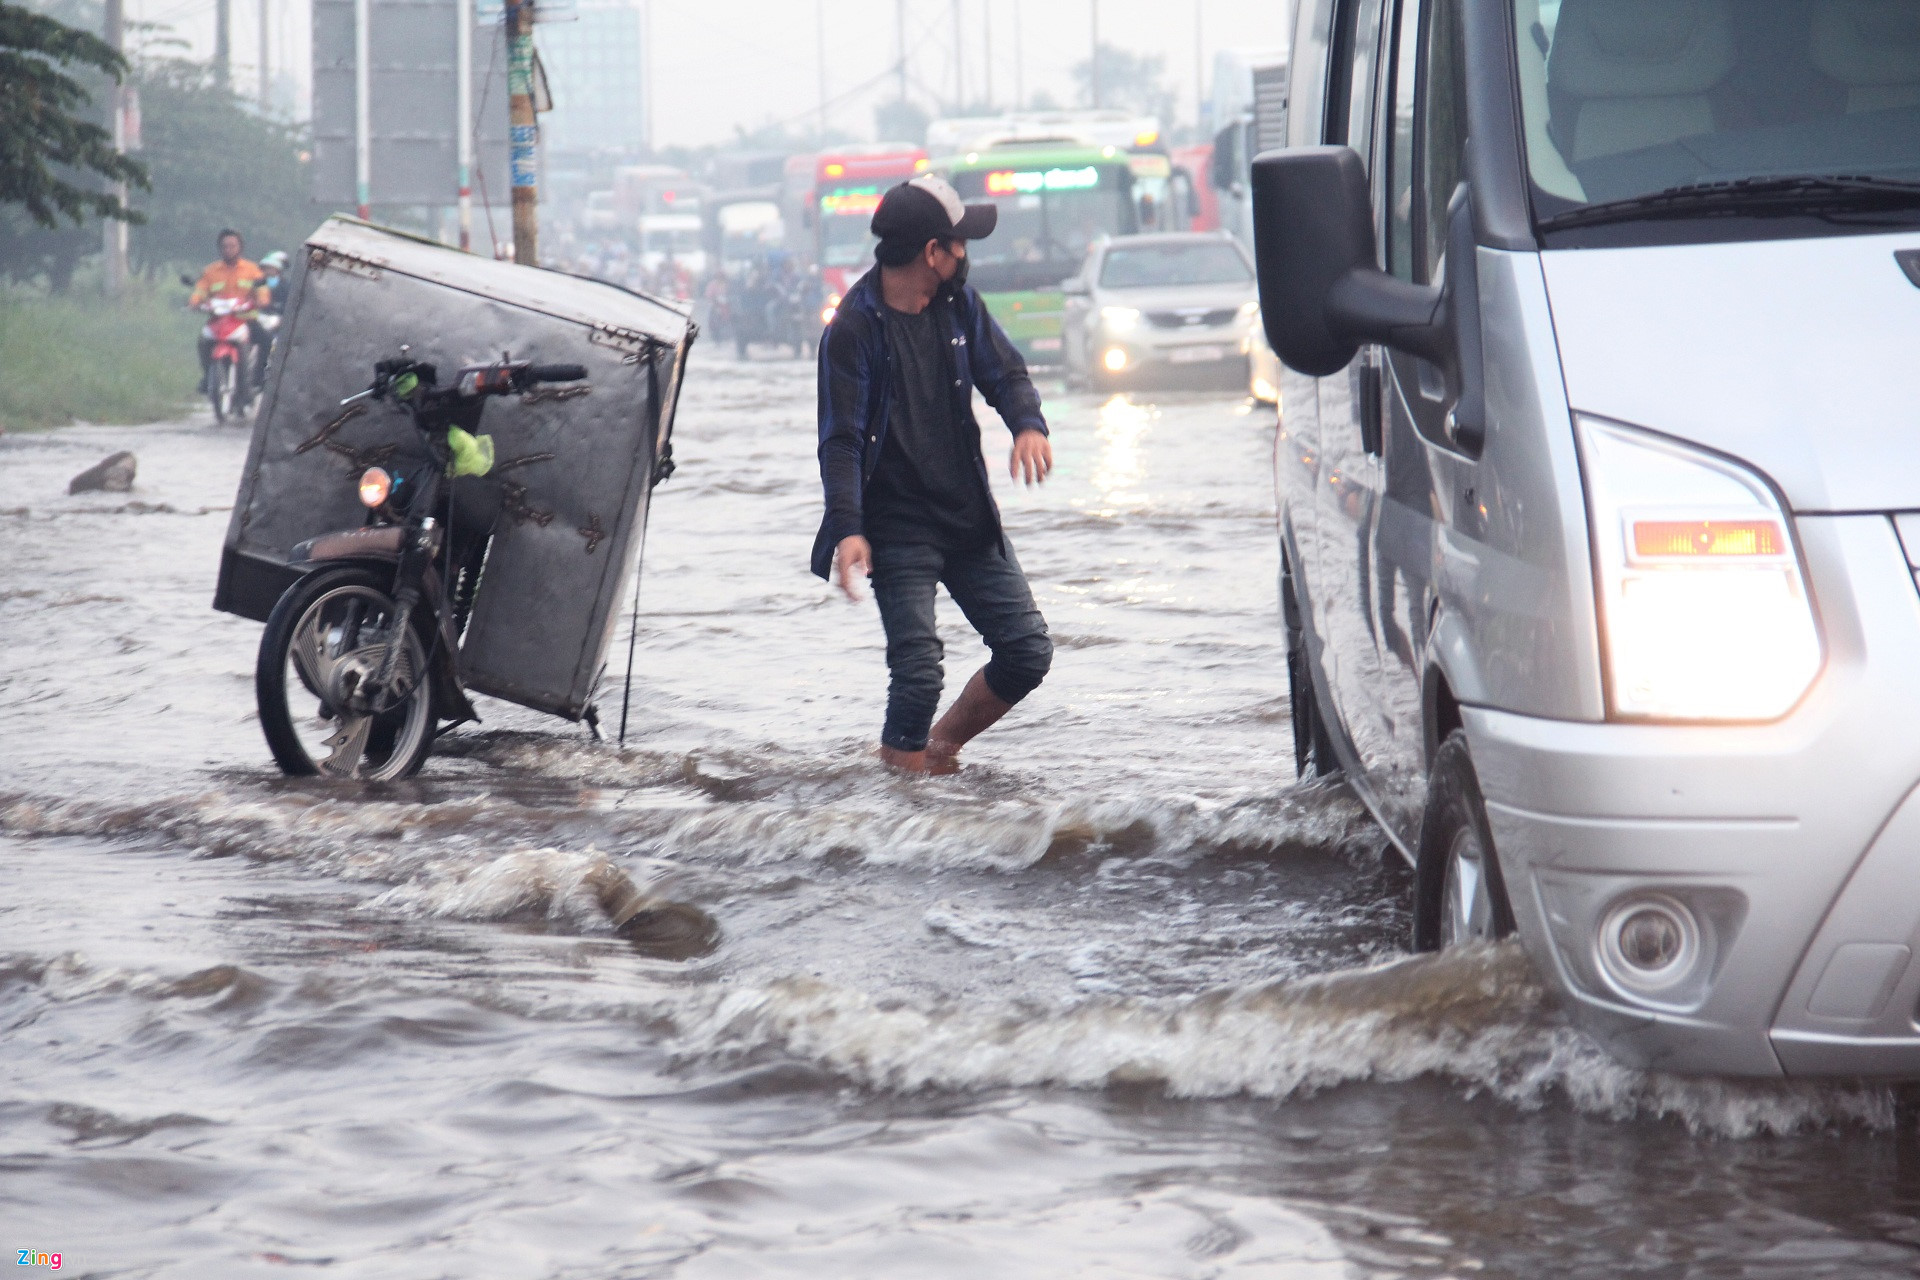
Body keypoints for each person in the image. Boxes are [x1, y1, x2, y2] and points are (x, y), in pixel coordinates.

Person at [813, 174, 1055, 773]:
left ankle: (937, 751)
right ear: (932, 252)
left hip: (966, 514)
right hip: (897, 528)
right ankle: (903, 814)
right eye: (961, 243)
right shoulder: (852, 330)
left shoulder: (959, 306)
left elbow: (1006, 373)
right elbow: (840, 441)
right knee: (918, 673)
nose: (967, 255)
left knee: (1026, 652)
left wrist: (1028, 424)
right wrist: (848, 528)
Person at [187, 229, 269, 379]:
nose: (229, 250)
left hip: (246, 320)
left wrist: (261, 300)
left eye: (233, 246)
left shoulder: (252, 270)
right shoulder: (210, 271)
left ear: (240, 247)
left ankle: (259, 379)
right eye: (225, 246)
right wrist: (194, 302)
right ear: (219, 248)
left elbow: (261, 289)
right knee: (203, 342)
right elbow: (200, 290)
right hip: (218, 321)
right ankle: (208, 377)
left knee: (266, 340)